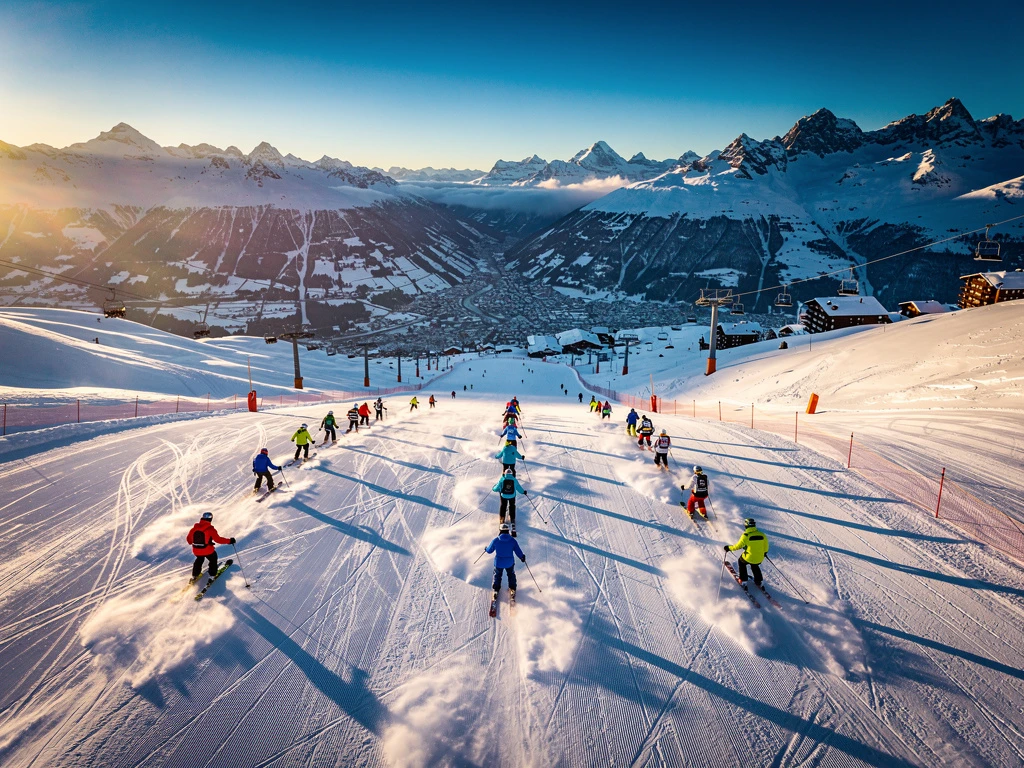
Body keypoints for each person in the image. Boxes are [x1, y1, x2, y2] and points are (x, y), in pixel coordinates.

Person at [187, 511, 234, 582]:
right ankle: (212, 575)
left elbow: (189, 540)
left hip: (196, 550)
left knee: (199, 559)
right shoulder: (210, 529)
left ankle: (194, 576)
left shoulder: (194, 529)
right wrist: (230, 541)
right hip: (207, 550)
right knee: (213, 559)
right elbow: (218, 540)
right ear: (210, 519)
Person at [484, 523, 526, 598]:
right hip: (509, 563)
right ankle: (512, 588)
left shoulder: (496, 540)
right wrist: (522, 557)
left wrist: (486, 549)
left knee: (497, 575)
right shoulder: (512, 541)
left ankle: (496, 589)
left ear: (500, 531)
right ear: (508, 531)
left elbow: (490, 550)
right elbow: (518, 551)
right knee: (511, 575)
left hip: (498, 563)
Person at [725, 518, 769, 586]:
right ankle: (759, 581)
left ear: (746, 525)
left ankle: (743, 580)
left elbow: (737, 546)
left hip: (749, 557)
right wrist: (764, 553)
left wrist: (728, 548)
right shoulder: (762, 534)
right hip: (760, 558)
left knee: (741, 562)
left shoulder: (746, 535)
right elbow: (766, 547)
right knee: (754, 565)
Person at [492, 468, 527, 532]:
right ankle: (512, 519)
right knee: (512, 506)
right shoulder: (514, 479)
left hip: (504, 496)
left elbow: (497, 488)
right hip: (512, 496)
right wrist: (523, 492)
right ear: (511, 473)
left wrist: (493, 489)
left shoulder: (502, 479)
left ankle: (502, 519)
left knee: (503, 506)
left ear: (505, 473)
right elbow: (518, 487)